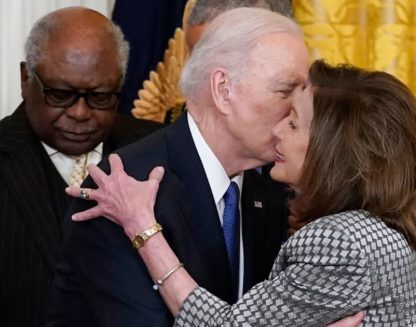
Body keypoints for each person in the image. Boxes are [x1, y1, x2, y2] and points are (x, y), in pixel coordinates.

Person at [67, 59, 416, 326]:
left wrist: (142, 227)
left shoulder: (338, 242)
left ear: (332, 152)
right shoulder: (372, 231)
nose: (278, 132)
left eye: (293, 123)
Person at [47, 8, 306, 326]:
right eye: (285, 91)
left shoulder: (271, 189)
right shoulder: (123, 190)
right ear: (223, 90)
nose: (300, 110)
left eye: (303, 93)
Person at [0, 7, 162, 327]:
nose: (79, 113)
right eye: (60, 94)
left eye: (100, 97)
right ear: (25, 79)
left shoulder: (158, 151)